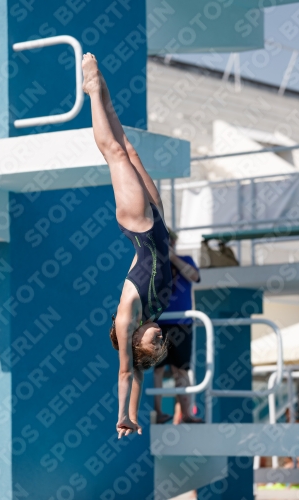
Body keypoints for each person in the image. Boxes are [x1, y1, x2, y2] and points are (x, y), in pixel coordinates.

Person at [82, 53, 172, 439]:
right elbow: (139, 374)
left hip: (138, 224)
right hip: (159, 223)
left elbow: (126, 372)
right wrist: (137, 411)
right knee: (130, 150)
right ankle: (105, 97)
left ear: (135, 341)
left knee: (114, 154)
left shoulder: (127, 317)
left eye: (155, 343)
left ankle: (92, 90)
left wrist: (124, 414)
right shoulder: (152, 316)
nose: (160, 337)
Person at [153, 229, 202, 424]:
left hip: (182, 323)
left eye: (170, 241)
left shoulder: (186, 260)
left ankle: (187, 414)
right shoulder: (154, 264)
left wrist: (173, 259)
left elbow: (194, 277)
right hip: (158, 322)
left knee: (181, 369)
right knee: (157, 368)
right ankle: (158, 413)